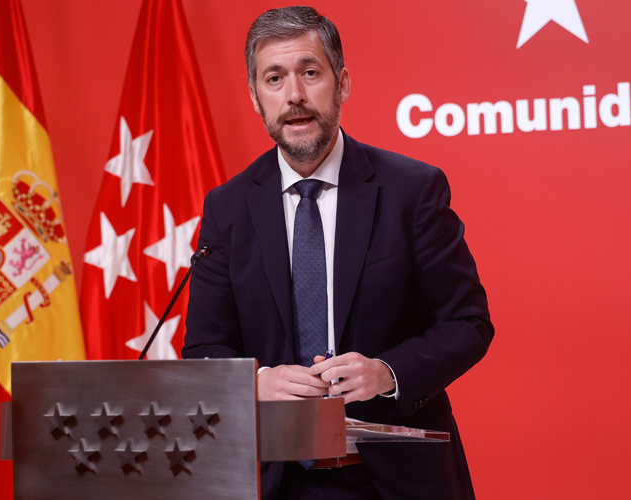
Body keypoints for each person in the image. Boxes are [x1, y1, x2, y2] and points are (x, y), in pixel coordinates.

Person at [183, 6, 494, 499]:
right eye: (274, 78)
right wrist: (255, 382)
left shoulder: (412, 190)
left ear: (342, 83)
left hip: (396, 479)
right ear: (256, 97)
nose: (294, 95)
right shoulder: (228, 207)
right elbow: (204, 349)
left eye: (310, 72)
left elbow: (467, 322)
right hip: (274, 479)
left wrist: (387, 372)